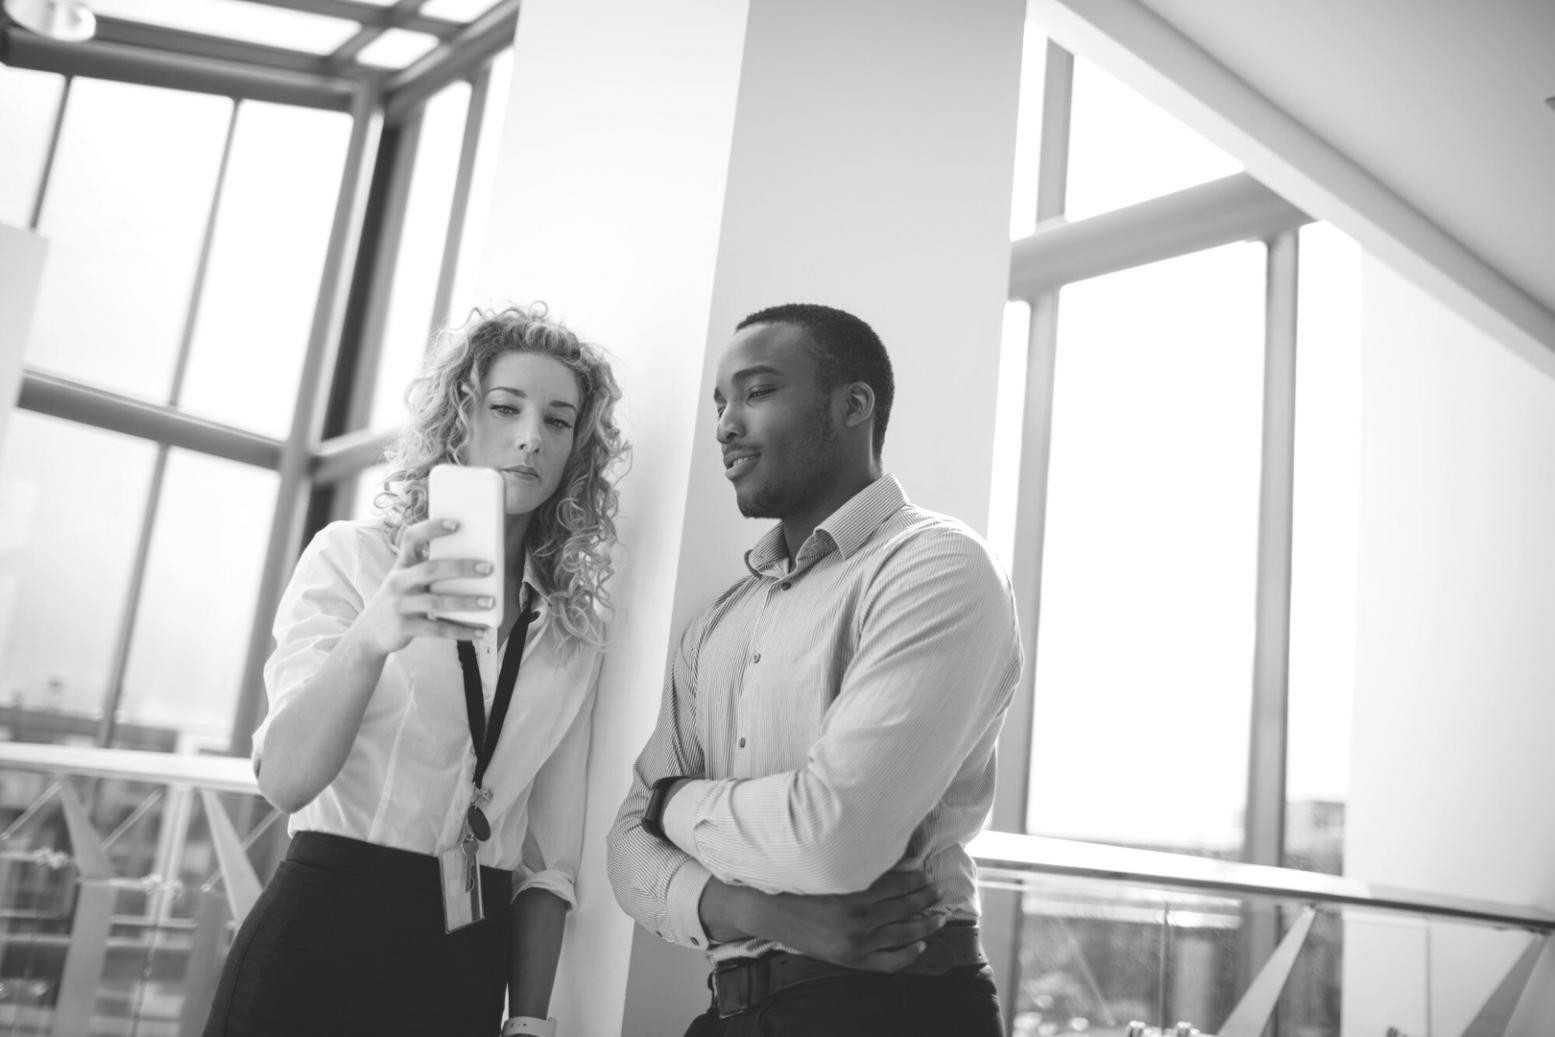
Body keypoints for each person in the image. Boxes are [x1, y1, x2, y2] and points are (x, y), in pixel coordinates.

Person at [204, 306, 628, 1037]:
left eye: (558, 421)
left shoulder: (570, 632)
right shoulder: (353, 557)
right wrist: (373, 636)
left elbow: (546, 862)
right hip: (319, 933)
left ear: (576, 449)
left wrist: (529, 1022)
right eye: (506, 407)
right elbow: (285, 781)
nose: (531, 435)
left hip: (466, 958)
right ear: (459, 416)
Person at [607, 303, 1022, 1036]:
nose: (725, 424)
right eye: (720, 403)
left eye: (758, 391)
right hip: (730, 1010)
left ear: (853, 405)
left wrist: (669, 804)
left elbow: (833, 840)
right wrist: (764, 912)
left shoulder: (934, 565)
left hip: (891, 1006)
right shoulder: (719, 622)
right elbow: (624, 855)